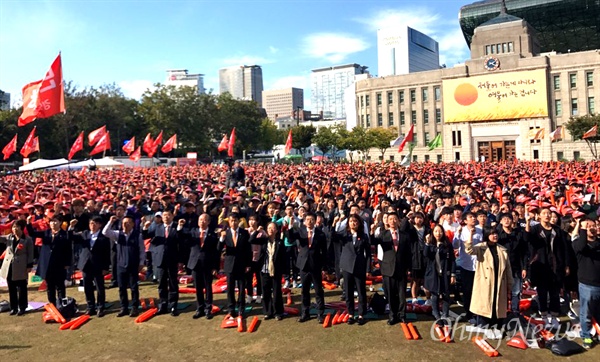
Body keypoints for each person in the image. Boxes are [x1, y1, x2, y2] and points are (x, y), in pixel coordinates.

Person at [525, 208, 569, 329]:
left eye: (549, 214)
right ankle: (544, 315)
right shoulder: (535, 229)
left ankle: (554, 316)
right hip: (540, 265)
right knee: (542, 292)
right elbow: (527, 238)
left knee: (555, 293)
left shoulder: (557, 230)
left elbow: (564, 248)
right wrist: (528, 222)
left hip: (556, 266)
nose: (547, 216)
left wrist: (566, 264)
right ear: (538, 216)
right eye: (544, 213)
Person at [465, 227, 513, 329]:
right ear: (487, 235)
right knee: (485, 305)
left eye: (496, 233)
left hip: (500, 282)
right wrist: (471, 235)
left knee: (497, 304)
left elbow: (508, 269)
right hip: (485, 283)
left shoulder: (502, 250)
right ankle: (483, 325)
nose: (495, 236)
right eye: (492, 234)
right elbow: (469, 250)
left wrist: (510, 285)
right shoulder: (481, 247)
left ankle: (496, 325)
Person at [103, 215, 146, 317]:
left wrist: (141, 263)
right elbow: (105, 232)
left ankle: (135, 307)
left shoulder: (137, 235)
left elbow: (142, 250)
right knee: (122, 288)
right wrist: (110, 222)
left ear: (132, 224)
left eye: (127, 223)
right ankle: (124, 308)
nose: (125, 225)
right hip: (121, 265)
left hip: (133, 264)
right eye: (123, 223)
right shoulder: (118, 234)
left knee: (134, 287)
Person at [69, 216, 111, 317]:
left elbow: (107, 253)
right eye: (91, 223)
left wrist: (105, 268)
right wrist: (71, 227)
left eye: (95, 223)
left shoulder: (104, 237)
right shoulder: (85, 234)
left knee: (99, 287)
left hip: (98, 265)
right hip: (86, 264)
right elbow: (71, 237)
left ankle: (100, 307)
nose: (92, 225)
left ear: (100, 225)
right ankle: (90, 307)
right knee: (87, 287)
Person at [290, 212, 328, 323]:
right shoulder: (300, 231)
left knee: (318, 291)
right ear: (305, 221)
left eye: (312, 219)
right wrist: (290, 226)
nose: (309, 221)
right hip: (303, 265)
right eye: (308, 219)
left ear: (315, 220)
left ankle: (320, 313)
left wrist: (324, 267)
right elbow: (291, 238)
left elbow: (324, 251)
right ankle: (305, 313)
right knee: (304, 291)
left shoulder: (320, 234)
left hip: (315, 265)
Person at [375, 212, 412, 325]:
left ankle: (402, 315)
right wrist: (373, 230)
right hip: (388, 268)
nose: (392, 221)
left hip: (401, 268)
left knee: (401, 294)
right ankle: (392, 315)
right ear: (387, 221)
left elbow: (408, 253)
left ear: (398, 221)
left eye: (395, 219)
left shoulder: (405, 235)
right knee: (390, 294)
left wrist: (409, 267)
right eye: (390, 219)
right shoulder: (383, 234)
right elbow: (373, 242)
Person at [142, 210, 181, 316]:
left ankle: (173, 306)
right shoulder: (156, 227)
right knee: (161, 283)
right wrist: (145, 227)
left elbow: (181, 241)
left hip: (172, 259)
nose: (166, 217)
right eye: (164, 215)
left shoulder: (177, 227)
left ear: (172, 216)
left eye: (168, 215)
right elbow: (145, 236)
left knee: (173, 284)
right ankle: (163, 305)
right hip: (159, 259)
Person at [27, 215, 72, 306]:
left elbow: (68, 250)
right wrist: (28, 223)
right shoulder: (46, 233)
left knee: (60, 286)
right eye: (51, 221)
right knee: (50, 286)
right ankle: (52, 304)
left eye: (55, 221)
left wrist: (67, 263)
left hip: (59, 264)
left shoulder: (65, 234)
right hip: (47, 264)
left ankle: (61, 304)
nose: (53, 223)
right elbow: (32, 233)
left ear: (60, 223)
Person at [182, 213, 219, 320]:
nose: (202, 222)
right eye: (200, 220)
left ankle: (208, 309)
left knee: (208, 287)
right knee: (198, 288)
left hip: (208, 264)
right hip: (195, 263)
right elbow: (183, 238)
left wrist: (215, 267)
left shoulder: (213, 234)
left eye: (204, 220)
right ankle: (200, 308)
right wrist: (180, 227)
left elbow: (216, 252)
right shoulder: (192, 232)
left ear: (208, 222)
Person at [571, 217, 600, 349]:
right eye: (588, 226)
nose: (591, 227)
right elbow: (581, 245)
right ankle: (586, 336)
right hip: (587, 284)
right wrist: (581, 226)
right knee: (586, 312)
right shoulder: (579, 244)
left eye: (593, 225)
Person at [339, 214, 371, 325]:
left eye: (355, 221)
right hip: (347, 266)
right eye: (351, 221)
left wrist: (368, 268)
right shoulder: (344, 235)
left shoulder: (363, 236)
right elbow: (333, 236)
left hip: (359, 266)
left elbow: (368, 254)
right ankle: (351, 314)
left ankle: (361, 314)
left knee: (361, 291)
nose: (353, 223)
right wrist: (337, 223)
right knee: (348, 292)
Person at [219, 212, 252, 318]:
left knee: (242, 288)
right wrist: (221, 238)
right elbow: (218, 248)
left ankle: (241, 307)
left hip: (242, 264)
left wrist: (248, 264)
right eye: (231, 220)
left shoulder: (244, 233)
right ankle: (231, 308)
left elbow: (248, 250)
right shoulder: (225, 233)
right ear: (228, 221)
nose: (233, 223)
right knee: (230, 288)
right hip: (229, 264)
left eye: (235, 220)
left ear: (239, 221)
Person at [452, 212, 483, 324]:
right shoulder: (461, 231)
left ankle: (478, 312)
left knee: (479, 290)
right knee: (467, 290)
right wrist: (457, 234)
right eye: (470, 217)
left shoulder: (480, 231)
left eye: (474, 217)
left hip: (479, 265)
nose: (473, 219)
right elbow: (455, 246)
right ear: (465, 220)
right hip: (466, 265)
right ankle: (469, 313)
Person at [0, 219, 34, 315]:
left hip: (21, 266)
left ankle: (22, 307)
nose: (15, 229)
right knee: (11, 287)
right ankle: (13, 307)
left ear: (22, 228)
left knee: (22, 287)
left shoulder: (27, 239)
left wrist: (29, 265)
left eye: (17, 227)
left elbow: (30, 253)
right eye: (13, 227)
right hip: (9, 265)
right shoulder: (9, 238)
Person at [496, 212, 527, 315]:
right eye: (504, 218)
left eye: (508, 218)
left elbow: (523, 252)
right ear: (500, 221)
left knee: (516, 291)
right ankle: (502, 311)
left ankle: (515, 311)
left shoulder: (518, 233)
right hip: (501, 267)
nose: (506, 220)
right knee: (502, 291)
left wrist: (524, 268)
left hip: (516, 267)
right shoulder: (497, 235)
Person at [423, 224, 456, 324]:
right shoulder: (430, 244)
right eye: (436, 231)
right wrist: (427, 244)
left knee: (446, 294)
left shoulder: (447, 244)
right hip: (433, 273)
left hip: (445, 272)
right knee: (435, 294)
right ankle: (436, 313)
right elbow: (425, 254)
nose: (438, 233)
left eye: (440, 231)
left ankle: (445, 314)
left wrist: (453, 274)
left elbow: (452, 260)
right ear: (433, 232)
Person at [258, 222, 286, 320]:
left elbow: (283, 257)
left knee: (277, 292)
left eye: (273, 228)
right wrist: (258, 231)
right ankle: (267, 312)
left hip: (276, 271)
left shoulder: (280, 242)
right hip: (264, 270)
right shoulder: (263, 241)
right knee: (265, 292)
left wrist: (283, 270)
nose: (270, 230)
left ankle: (278, 312)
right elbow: (251, 240)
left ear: (276, 230)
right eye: (268, 228)